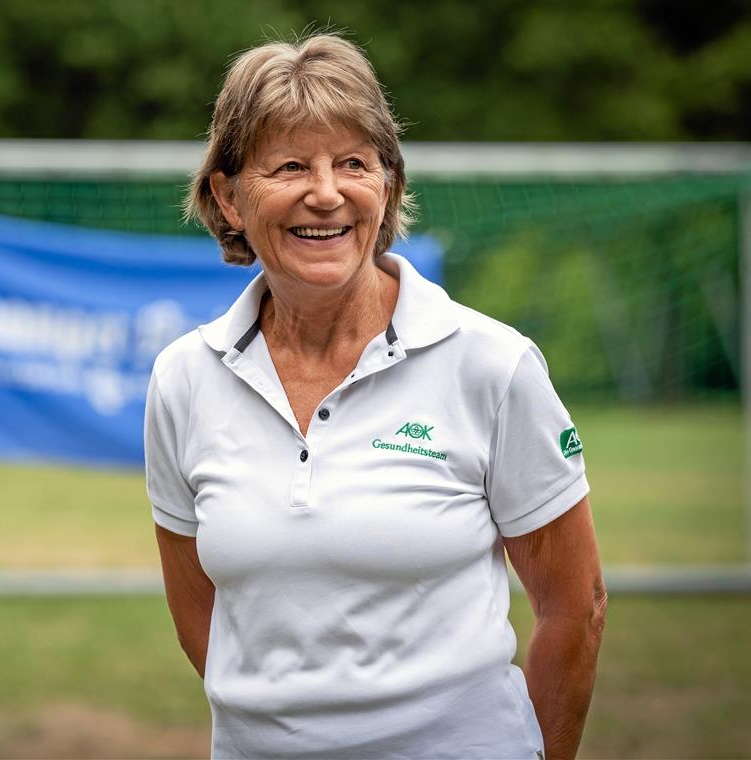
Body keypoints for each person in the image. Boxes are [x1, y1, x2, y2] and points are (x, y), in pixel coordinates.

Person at [144, 33, 607, 759]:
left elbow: (576, 608)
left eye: (353, 163)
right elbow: (198, 607)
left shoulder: (492, 364)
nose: (325, 193)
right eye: (291, 165)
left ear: (386, 187)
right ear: (228, 197)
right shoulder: (184, 377)